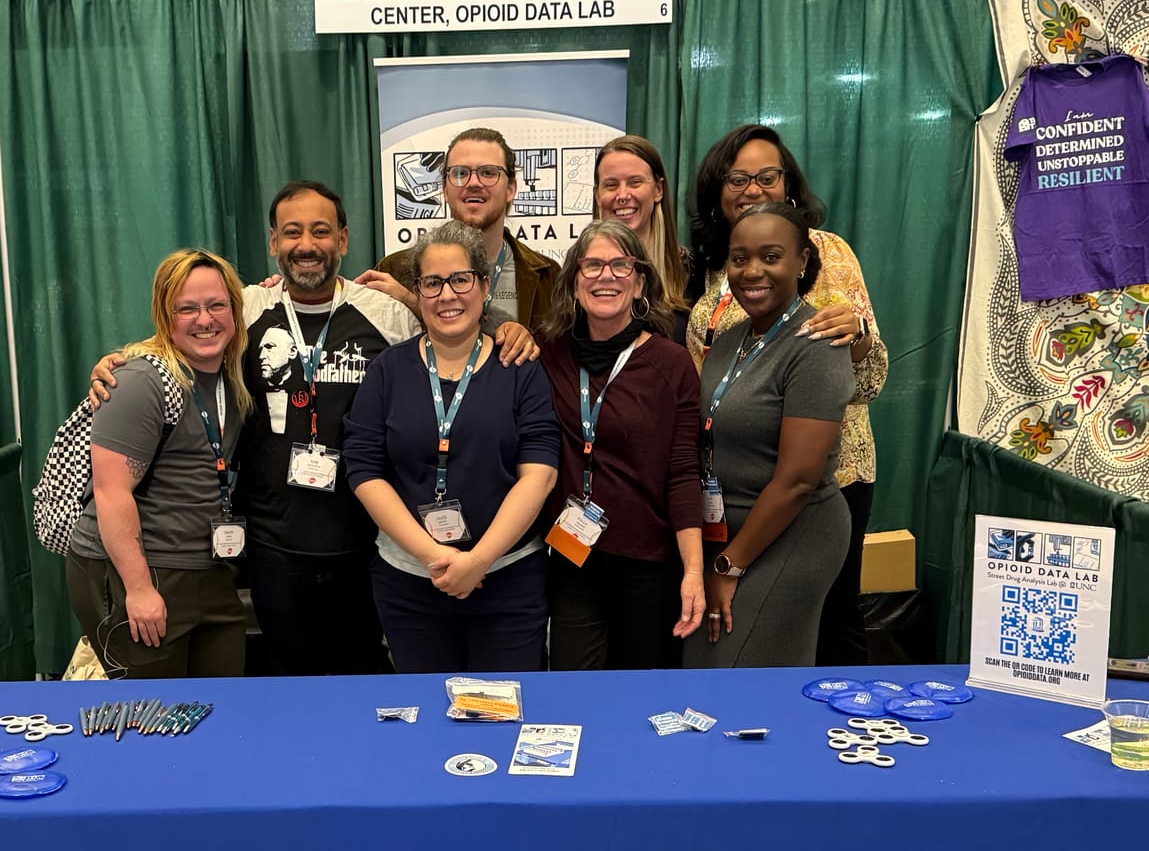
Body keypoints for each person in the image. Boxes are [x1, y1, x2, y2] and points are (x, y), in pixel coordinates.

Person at [89, 181, 539, 677]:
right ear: (272, 242)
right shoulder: (245, 307)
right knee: (290, 680)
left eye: (321, 231)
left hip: (365, 541)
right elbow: (185, 335)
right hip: (273, 543)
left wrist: (506, 328)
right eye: (292, 232)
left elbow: (452, 325)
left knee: (366, 677)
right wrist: (124, 359)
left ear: (343, 239)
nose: (306, 244)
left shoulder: (386, 312)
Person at [684, 124, 889, 664]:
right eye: (737, 179)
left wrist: (858, 337)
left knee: (824, 638)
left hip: (814, 494)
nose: (751, 188)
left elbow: (867, 383)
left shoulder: (827, 272)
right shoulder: (715, 298)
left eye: (766, 176)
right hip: (732, 508)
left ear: (801, 261)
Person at [344, 221, 558, 674]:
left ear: (484, 286)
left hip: (508, 581)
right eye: (432, 283)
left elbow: (540, 472)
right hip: (409, 583)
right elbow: (363, 469)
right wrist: (435, 556)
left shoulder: (519, 368)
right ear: (417, 292)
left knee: (502, 706)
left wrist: (478, 560)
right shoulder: (387, 370)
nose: (447, 295)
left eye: (460, 279)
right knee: (426, 707)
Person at [67, 249, 251, 679]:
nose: (204, 319)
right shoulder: (140, 381)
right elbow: (111, 492)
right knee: (154, 711)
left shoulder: (230, 375)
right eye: (187, 309)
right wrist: (138, 588)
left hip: (209, 570)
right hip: (137, 572)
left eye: (216, 305)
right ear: (165, 317)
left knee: (222, 704)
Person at [685, 203, 853, 669]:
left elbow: (799, 480)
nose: (752, 271)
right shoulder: (728, 341)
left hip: (791, 533)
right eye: (739, 259)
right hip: (727, 530)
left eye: (771, 256)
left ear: (802, 261)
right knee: (701, 669)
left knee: (739, 671)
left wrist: (729, 566)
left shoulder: (818, 344)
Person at [535, 219, 703, 669]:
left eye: (620, 265)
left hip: (648, 566)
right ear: (574, 283)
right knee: (574, 686)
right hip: (571, 560)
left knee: (643, 692)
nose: (605, 276)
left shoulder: (672, 364)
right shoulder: (546, 354)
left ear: (640, 281)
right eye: (591, 265)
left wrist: (693, 571)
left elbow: (683, 473)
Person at [365, 127, 561, 337]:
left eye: (488, 173)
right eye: (460, 173)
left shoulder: (549, 277)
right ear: (444, 189)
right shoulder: (396, 271)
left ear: (511, 189)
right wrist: (413, 305)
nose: (474, 183)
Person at [592, 135, 688, 305]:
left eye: (635, 182)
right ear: (597, 195)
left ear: (658, 190)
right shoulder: (578, 275)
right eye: (611, 185)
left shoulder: (692, 272)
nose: (622, 196)